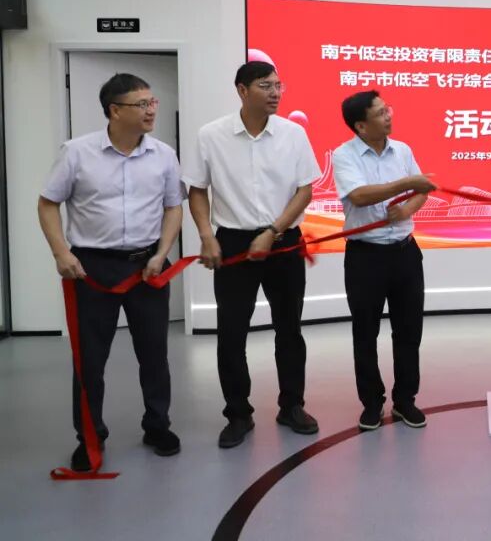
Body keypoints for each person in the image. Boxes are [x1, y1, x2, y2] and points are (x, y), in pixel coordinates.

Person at [38, 73, 183, 471]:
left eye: (152, 102)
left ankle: (158, 426)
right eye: (142, 104)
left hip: (147, 266)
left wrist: (163, 252)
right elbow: (48, 203)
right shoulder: (77, 153)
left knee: (154, 354)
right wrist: (61, 253)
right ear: (115, 111)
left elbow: (173, 207)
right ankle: (90, 436)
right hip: (92, 269)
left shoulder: (164, 155)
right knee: (89, 359)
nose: (151, 110)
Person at [184, 61, 322, 448]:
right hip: (232, 243)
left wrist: (273, 232)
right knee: (231, 333)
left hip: (284, 241)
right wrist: (206, 236)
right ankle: (238, 414)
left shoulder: (293, 134)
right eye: (266, 86)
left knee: (289, 330)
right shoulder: (211, 135)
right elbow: (197, 189)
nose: (276, 93)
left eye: (279, 85)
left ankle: (292, 406)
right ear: (242, 91)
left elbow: (305, 190)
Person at [332, 91, 436, 431]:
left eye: (387, 109)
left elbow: (422, 189)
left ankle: (405, 400)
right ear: (361, 126)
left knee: (409, 331)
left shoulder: (402, 150)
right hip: (365, 257)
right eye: (380, 112)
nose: (388, 115)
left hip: (406, 253)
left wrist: (407, 209)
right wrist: (405, 183)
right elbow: (359, 196)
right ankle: (372, 403)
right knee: (365, 333)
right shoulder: (344, 155)